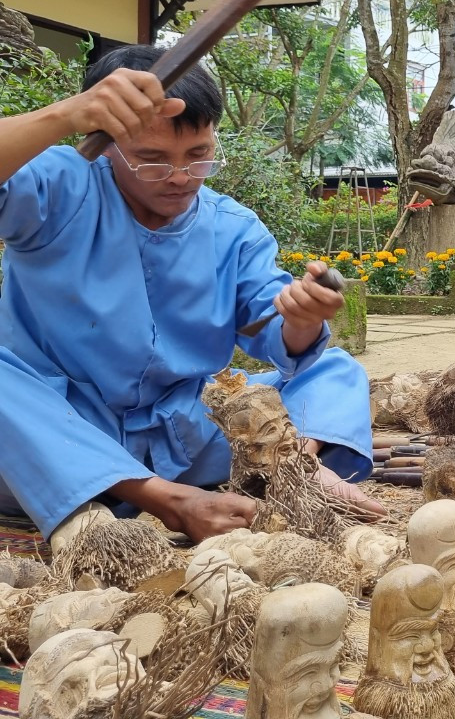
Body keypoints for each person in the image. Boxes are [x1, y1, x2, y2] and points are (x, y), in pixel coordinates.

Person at [0, 46, 380, 543]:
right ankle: (171, 502)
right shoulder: (59, 185)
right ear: (105, 145)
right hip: (54, 435)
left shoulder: (233, 229)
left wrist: (302, 318)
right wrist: (65, 115)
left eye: (199, 155)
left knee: (334, 368)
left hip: (183, 435)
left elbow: (273, 333)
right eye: (151, 160)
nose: (180, 177)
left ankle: (293, 470)